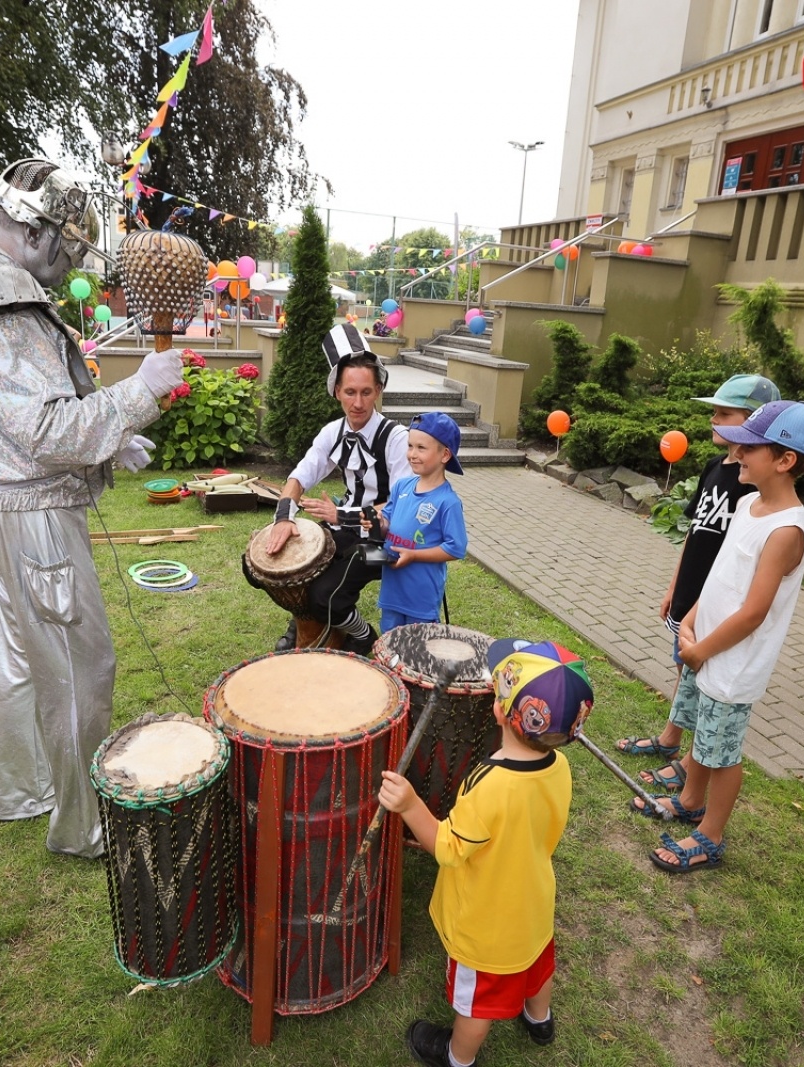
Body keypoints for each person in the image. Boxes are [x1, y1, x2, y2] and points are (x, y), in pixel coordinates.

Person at [0, 157, 181, 858]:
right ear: (37, 229)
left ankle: (24, 786)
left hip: (4, 501)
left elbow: (15, 420)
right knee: (78, 665)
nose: (69, 261)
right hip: (31, 512)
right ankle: (86, 824)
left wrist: (108, 441)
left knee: (28, 655)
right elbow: (45, 430)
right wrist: (138, 393)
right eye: (68, 244)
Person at [379, 637, 592, 1067]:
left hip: (489, 924)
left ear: (499, 709)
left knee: (476, 1003)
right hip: (533, 905)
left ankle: (458, 1057)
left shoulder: (491, 786)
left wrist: (409, 805)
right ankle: (539, 1019)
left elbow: (446, 848)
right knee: (537, 966)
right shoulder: (561, 768)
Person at [630, 401, 804, 874]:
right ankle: (691, 798)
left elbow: (755, 611)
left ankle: (710, 836)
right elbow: (720, 576)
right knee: (700, 730)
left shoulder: (786, 530)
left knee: (722, 749)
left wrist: (701, 650)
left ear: (784, 460)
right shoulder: (745, 504)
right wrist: (691, 617)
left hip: (732, 663)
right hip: (705, 648)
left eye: (749, 446)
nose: (737, 452)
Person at [615, 373, 781, 786]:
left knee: (703, 677)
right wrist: (674, 587)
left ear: (753, 423)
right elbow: (694, 531)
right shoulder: (714, 466)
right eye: (714, 412)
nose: (714, 420)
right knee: (683, 667)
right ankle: (671, 738)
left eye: (725, 413)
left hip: (716, 604)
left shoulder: (750, 486)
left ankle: (692, 759)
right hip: (689, 595)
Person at [257, 323, 410, 653]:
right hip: (345, 526)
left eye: (366, 392)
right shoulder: (332, 432)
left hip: (389, 544)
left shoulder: (396, 439)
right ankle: (302, 624)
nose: (358, 403)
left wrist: (344, 514)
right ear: (336, 391)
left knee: (327, 594)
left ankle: (363, 636)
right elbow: (299, 477)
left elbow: (401, 508)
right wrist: (284, 518)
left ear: (378, 390)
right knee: (292, 568)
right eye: (350, 392)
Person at [375, 411, 468, 632]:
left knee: (416, 653)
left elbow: (456, 548)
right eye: (410, 446)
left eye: (421, 448)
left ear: (445, 455)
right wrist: (377, 523)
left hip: (420, 598)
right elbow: (387, 519)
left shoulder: (448, 502)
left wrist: (415, 555)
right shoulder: (402, 486)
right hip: (392, 592)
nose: (412, 454)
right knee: (389, 646)